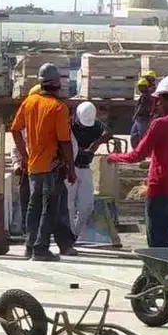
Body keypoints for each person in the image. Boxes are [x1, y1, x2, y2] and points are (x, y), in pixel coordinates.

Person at [108, 75, 168, 248]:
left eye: (159, 100)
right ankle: (156, 275)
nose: (157, 104)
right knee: (164, 245)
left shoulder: (159, 125)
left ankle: (153, 274)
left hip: (159, 194)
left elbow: (137, 155)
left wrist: (113, 157)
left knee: (155, 247)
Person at [11, 63, 78, 261]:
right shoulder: (58, 107)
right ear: (57, 84)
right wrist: (71, 168)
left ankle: (29, 246)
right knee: (49, 209)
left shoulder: (29, 102)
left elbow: (15, 129)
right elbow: (65, 142)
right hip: (50, 167)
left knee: (33, 207)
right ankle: (41, 249)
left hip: (34, 166)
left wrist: (24, 155)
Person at [68, 101, 112, 239]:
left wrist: (94, 145)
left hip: (85, 168)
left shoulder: (95, 124)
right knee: (68, 206)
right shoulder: (69, 124)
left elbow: (108, 133)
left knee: (86, 205)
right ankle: (69, 235)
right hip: (70, 168)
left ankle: (76, 233)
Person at [130, 77, 154, 149]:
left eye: (141, 86)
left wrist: (135, 115)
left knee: (142, 135)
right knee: (134, 134)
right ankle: (137, 150)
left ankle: (144, 151)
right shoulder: (145, 95)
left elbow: (141, 107)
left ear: (145, 86)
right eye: (138, 86)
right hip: (139, 119)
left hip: (143, 118)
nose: (139, 88)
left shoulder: (146, 96)